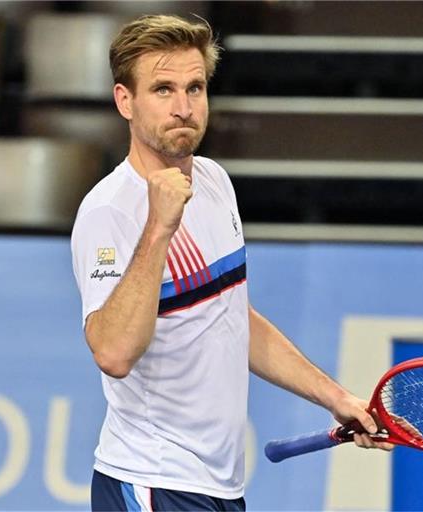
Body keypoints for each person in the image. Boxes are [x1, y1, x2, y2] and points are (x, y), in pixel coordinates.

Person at [70, 14, 393, 512]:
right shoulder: (109, 211)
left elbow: (229, 317)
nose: (183, 107)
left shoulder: (215, 182)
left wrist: (337, 398)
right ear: (125, 101)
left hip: (218, 487)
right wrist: (159, 228)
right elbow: (112, 353)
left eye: (195, 88)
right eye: (163, 89)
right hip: (151, 482)